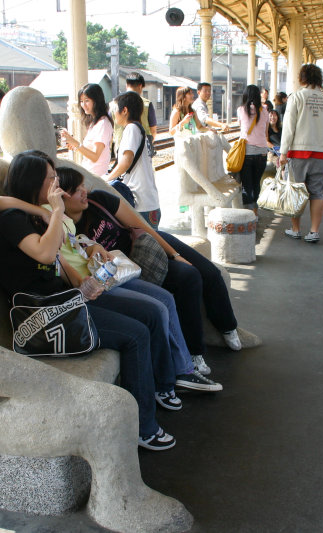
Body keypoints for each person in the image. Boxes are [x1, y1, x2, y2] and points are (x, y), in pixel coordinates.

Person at [0, 150, 177, 450]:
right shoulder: (12, 220)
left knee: (151, 314)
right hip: (43, 316)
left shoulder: (33, 214)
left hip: (67, 299)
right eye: (51, 178)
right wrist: (51, 212)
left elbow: (59, 262)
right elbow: (45, 253)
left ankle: (160, 388)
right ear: (33, 182)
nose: (57, 186)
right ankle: (144, 428)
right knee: (135, 335)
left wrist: (83, 284)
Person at [69, 180, 244, 376]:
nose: (84, 192)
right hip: (132, 266)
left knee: (209, 272)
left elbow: (142, 225)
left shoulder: (98, 200)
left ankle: (228, 326)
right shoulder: (66, 229)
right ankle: (195, 353)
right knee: (189, 277)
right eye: (75, 190)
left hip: (147, 242)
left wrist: (175, 255)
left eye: (82, 186)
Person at [280, 63, 323, 243]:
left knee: (296, 192)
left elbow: (288, 128)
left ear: (302, 78)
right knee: (317, 193)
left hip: (298, 152)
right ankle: (314, 231)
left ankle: (296, 229)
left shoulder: (296, 97)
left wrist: (283, 152)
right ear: (319, 79)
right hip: (321, 153)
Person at [105, 91, 162, 230]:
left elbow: (126, 161)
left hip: (141, 203)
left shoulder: (131, 129)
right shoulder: (140, 129)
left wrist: (106, 179)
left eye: (115, 110)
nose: (114, 114)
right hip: (149, 201)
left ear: (124, 110)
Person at [61, 83, 113, 177]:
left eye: (87, 100)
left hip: (96, 178)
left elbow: (95, 157)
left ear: (96, 101)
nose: (83, 105)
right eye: (81, 101)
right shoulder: (95, 123)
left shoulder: (103, 124)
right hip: (89, 174)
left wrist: (76, 143)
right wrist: (75, 146)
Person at [237, 85, 271, 215]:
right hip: (262, 153)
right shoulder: (265, 111)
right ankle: (255, 213)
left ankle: (248, 214)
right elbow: (266, 132)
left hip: (247, 153)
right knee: (256, 184)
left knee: (247, 185)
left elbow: (242, 129)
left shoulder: (241, 110)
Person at [112, 72, 157, 158]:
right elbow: (153, 131)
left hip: (120, 147)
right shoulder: (147, 104)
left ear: (126, 85)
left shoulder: (113, 104)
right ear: (140, 86)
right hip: (141, 149)